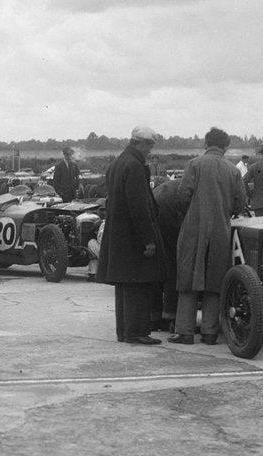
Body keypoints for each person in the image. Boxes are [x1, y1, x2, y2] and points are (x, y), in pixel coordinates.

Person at [170, 127, 246, 346]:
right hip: (221, 231)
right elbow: (240, 202)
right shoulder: (233, 170)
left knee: (188, 278)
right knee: (215, 279)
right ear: (225, 146)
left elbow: (183, 195)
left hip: (194, 229)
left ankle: (185, 332)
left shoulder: (194, 164)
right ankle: (210, 332)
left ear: (205, 144)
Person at [96, 126, 165, 345]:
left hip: (119, 234)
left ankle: (124, 332)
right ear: (139, 143)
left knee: (124, 286)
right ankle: (137, 332)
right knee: (139, 284)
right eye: (149, 145)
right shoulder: (134, 166)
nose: (150, 150)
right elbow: (139, 206)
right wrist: (148, 239)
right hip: (133, 236)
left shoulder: (117, 163)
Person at [153, 177, 187, 332]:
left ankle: (154, 316)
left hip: (158, 203)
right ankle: (171, 316)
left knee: (159, 262)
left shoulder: (171, 185)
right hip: (170, 209)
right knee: (174, 263)